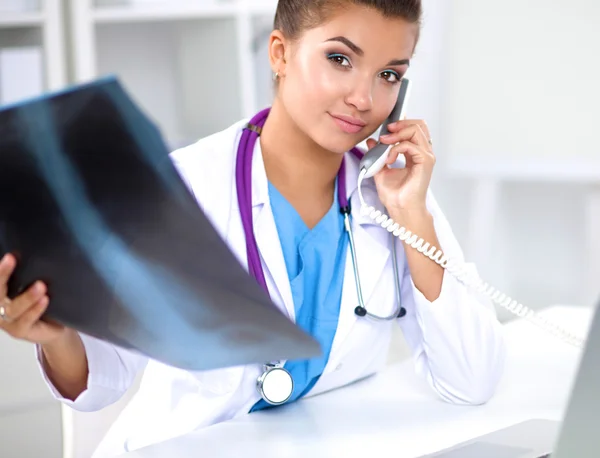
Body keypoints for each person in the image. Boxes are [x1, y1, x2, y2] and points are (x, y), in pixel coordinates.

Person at [0, 0, 506, 456]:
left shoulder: (393, 193)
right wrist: (57, 336)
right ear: (280, 54)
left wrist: (413, 213)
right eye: (340, 59)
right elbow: (103, 380)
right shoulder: (185, 184)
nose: (363, 97)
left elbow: (470, 379)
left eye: (390, 74)